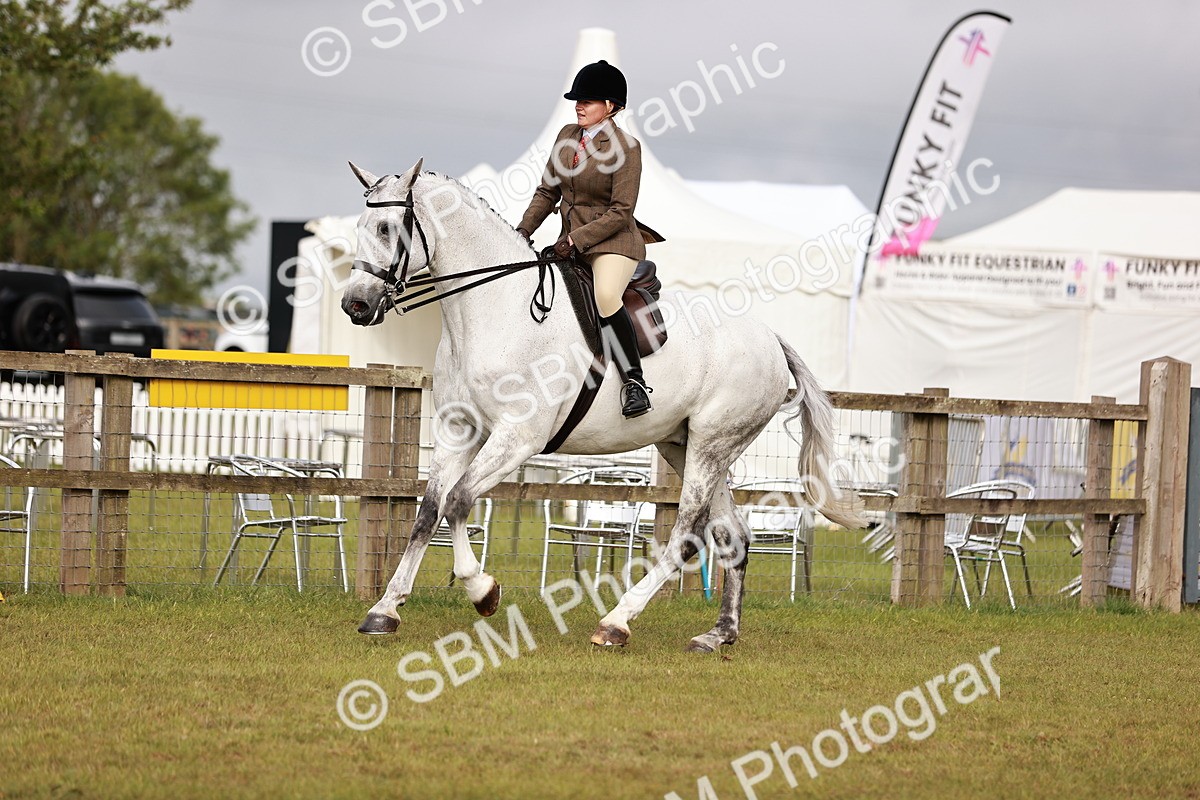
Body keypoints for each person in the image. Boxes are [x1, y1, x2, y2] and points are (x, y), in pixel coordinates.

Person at [517, 59, 664, 419]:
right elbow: (547, 191)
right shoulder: (567, 136)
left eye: (588, 100)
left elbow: (620, 211)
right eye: (577, 100)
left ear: (611, 106)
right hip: (569, 241)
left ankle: (634, 382)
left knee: (605, 295)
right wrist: (522, 231)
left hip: (613, 242)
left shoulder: (627, 147)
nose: (579, 105)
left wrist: (573, 241)